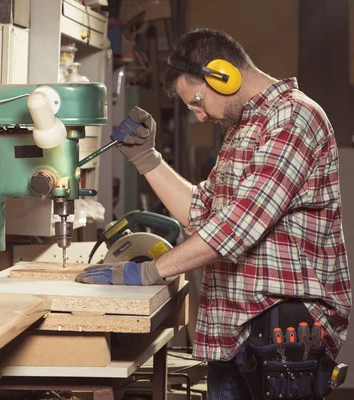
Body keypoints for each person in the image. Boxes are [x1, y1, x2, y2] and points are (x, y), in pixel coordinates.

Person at [76, 28, 352, 399]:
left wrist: (147, 272)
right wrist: (146, 158)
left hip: (280, 335)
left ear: (223, 74)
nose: (199, 116)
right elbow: (204, 212)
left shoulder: (293, 117)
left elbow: (238, 225)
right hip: (232, 333)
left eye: (197, 100)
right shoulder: (243, 128)